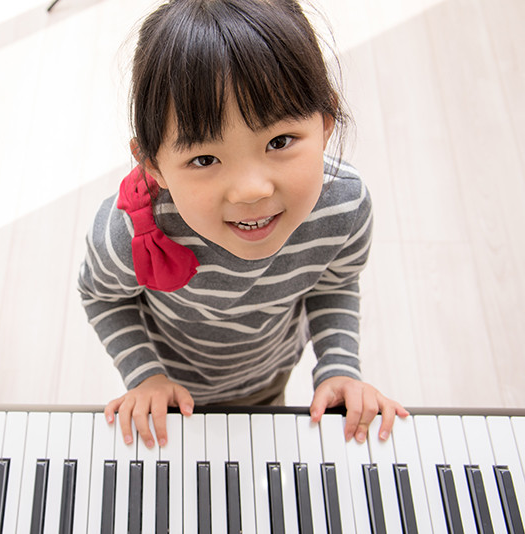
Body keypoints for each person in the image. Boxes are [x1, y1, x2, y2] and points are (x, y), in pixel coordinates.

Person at [78, 0, 408, 449]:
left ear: (326, 121)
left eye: (280, 141)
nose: (251, 190)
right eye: (204, 158)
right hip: (169, 393)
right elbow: (102, 296)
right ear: (153, 164)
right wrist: (146, 375)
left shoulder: (343, 207)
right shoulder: (128, 231)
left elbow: (334, 283)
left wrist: (338, 367)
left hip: (268, 375)